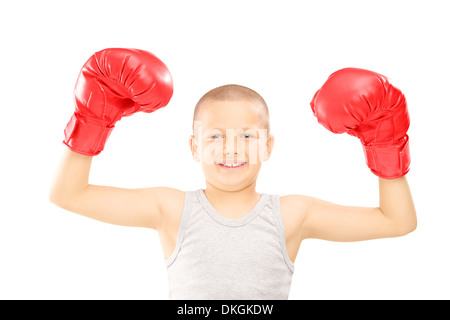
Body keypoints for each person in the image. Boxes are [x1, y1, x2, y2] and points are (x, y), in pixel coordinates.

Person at [49, 48, 417, 300]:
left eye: (246, 136)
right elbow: (68, 194)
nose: (230, 148)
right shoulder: (171, 208)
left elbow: (397, 221)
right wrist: (92, 120)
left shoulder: (291, 214)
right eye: (214, 136)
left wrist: (384, 145)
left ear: (268, 146)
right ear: (193, 147)